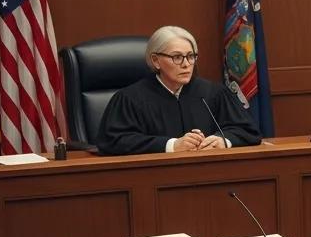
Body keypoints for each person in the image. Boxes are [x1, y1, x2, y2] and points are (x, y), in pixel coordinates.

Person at [96, 25, 263, 155]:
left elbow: (248, 131)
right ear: (156, 61)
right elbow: (113, 141)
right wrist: (172, 145)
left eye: (191, 56)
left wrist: (223, 141)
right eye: (177, 57)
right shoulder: (130, 99)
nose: (186, 64)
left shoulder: (212, 93)